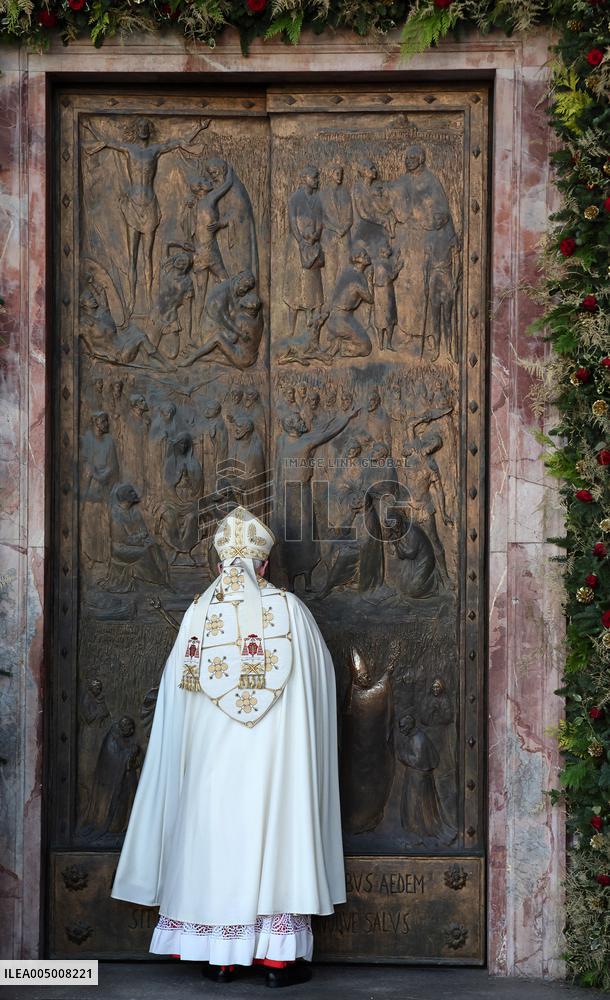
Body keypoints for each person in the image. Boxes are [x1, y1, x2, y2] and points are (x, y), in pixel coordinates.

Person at [111, 506, 345, 987]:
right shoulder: (292, 612)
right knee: (278, 837)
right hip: (278, 761)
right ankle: (276, 960)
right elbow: (321, 686)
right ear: (264, 564)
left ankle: (221, 957)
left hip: (212, 765)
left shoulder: (197, 615)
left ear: (220, 564)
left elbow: (174, 703)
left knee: (216, 838)